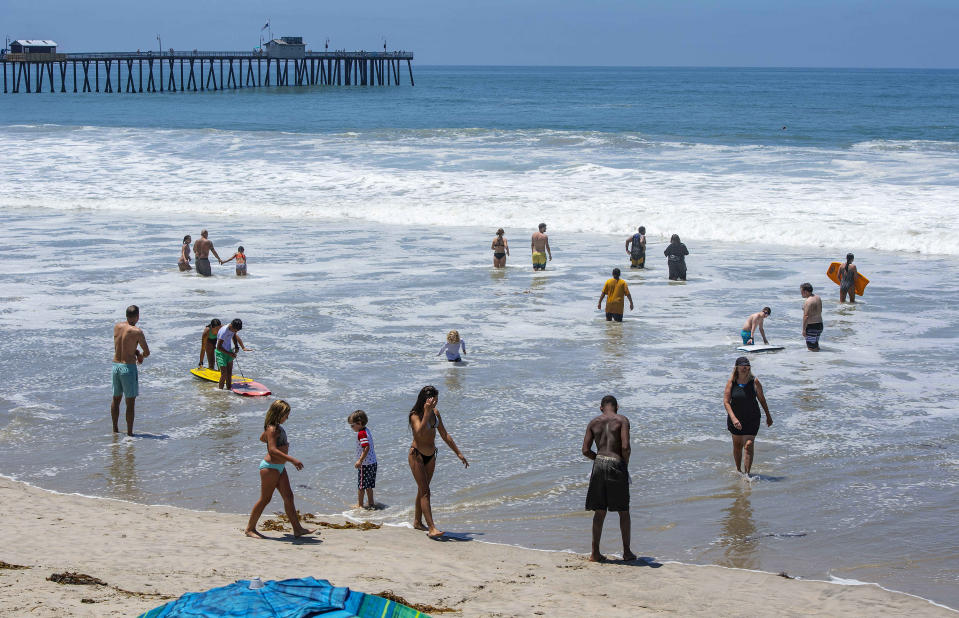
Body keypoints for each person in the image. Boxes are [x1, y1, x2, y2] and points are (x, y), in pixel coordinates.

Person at [244, 400, 314, 538]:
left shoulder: (274, 428)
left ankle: (297, 529)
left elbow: (262, 438)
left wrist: (273, 440)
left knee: (289, 497)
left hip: (280, 467)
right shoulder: (272, 429)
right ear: (278, 413)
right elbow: (272, 450)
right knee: (265, 499)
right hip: (270, 468)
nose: (287, 418)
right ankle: (250, 529)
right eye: (285, 415)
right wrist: (292, 459)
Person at [408, 386, 469, 538]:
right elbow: (419, 434)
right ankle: (432, 528)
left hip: (431, 455)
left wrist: (458, 453)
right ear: (425, 400)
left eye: (436, 399)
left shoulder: (435, 413)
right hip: (417, 455)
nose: (435, 402)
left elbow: (444, 434)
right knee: (425, 491)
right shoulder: (414, 415)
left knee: (423, 489)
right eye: (433, 399)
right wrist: (426, 412)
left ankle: (417, 521)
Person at [582, 395, 635, 563]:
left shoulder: (593, 422)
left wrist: (598, 458)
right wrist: (623, 464)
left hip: (598, 465)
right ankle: (626, 552)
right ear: (617, 407)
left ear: (601, 408)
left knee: (599, 511)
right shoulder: (622, 420)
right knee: (623, 511)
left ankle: (595, 553)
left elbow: (585, 450)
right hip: (616, 464)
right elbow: (625, 447)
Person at [723, 357, 773, 475]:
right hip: (736, 418)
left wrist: (768, 415)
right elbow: (726, 402)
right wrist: (734, 419)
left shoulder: (754, 381)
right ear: (737, 367)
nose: (745, 368)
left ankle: (747, 475)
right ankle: (739, 471)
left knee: (749, 444)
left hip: (752, 417)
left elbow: (762, 400)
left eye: (747, 365)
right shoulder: (732, 382)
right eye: (742, 366)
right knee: (737, 445)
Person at [111, 305, 150, 436]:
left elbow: (122, 345)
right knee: (130, 403)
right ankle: (130, 434)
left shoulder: (117, 327)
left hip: (115, 366)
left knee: (116, 400)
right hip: (128, 368)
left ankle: (115, 430)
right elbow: (147, 352)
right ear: (137, 316)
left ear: (126, 315)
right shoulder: (137, 331)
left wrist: (135, 351)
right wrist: (140, 356)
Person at [349, 410, 378, 509]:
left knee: (361, 486)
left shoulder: (361, 434)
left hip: (365, 464)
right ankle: (371, 503)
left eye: (352, 425)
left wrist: (360, 461)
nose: (351, 428)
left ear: (359, 423)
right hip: (373, 462)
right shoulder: (367, 430)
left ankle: (360, 505)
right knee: (369, 486)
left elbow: (366, 447)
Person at [216, 319, 250, 389]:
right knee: (224, 374)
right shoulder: (224, 332)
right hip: (221, 353)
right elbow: (218, 347)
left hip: (229, 351)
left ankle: (228, 389)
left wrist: (236, 345)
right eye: (235, 330)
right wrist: (229, 354)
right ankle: (220, 392)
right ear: (231, 326)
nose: (235, 332)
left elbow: (233, 336)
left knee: (229, 373)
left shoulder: (232, 329)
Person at [800, 282, 823, 351]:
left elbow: (806, 316)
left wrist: (804, 330)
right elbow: (819, 310)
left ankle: (813, 361)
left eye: (801, 291)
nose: (801, 293)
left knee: (811, 348)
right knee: (815, 346)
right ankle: (821, 360)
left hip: (812, 326)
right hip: (819, 325)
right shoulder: (818, 298)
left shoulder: (808, 301)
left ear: (806, 291)